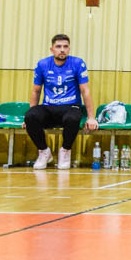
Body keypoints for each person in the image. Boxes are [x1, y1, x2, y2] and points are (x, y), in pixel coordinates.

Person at [26, 34, 97, 169]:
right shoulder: (42, 64)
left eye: (65, 47)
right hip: (49, 107)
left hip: (70, 106)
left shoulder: (78, 63)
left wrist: (91, 117)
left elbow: (85, 91)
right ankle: (44, 151)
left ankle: (65, 151)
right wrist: (28, 118)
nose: (62, 50)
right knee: (30, 116)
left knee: (73, 118)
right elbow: (36, 91)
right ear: (52, 49)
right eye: (58, 46)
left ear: (69, 49)